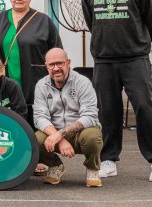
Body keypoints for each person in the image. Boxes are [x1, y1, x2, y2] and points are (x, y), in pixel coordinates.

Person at [81, 0, 152, 182]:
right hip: (104, 61)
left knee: (143, 106)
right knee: (107, 111)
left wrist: (137, 45)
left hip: (135, 59)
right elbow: (92, 24)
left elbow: (151, 22)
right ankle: (108, 159)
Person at [0, 0, 61, 127]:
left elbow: (56, 51)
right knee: (7, 122)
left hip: (34, 80)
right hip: (4, 83)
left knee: (35, 122)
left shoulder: (43, 21)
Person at [32, 48, 104, 187]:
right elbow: (39, 117)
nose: (56, 68)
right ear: (46, 66)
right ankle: (55, 166)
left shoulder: (83, 82)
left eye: (60, 63)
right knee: (35, 139)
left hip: (80, 131)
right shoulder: (41, 85)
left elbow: (90, 116)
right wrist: (58, 137)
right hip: (55, 130)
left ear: (68, 62)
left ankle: (92, 169)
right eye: (51, 65)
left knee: (92, 136)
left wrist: (60, 135)